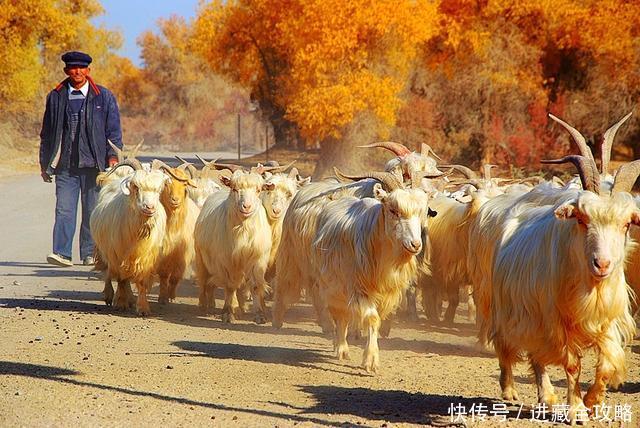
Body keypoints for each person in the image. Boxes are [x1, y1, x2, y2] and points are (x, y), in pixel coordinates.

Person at [39, 51, 123, 267]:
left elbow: (113, 132)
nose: (77, 71)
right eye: (72, 68)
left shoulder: (103, 96)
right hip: (65, 166)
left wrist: (112, 158)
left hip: (95, 165)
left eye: (81, 68)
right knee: (64, 210)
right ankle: (61, 253)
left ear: (88, 70)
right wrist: (44, 163)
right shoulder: (56, 96)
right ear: (66, 70)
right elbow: (47, 133)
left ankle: (89, 254)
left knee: (92, 212)